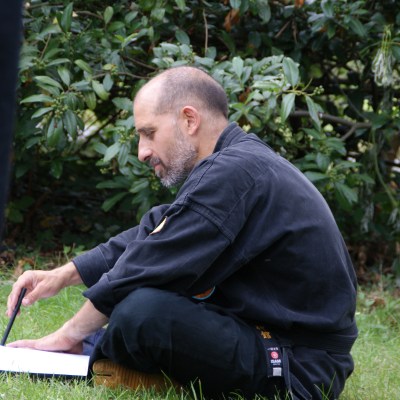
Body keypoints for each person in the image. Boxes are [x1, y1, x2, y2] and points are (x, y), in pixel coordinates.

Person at [6, 66, 358, 400]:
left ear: (189, 119)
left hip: (297, 366)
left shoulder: (235, 171)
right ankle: (102, 354)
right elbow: (154, 232)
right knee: (139, 305)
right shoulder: (235, 163)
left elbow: (147, 263)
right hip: (273, 341)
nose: (142, 152)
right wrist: (63, 275)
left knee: (141, 311)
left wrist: (66, 335)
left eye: (149, 133)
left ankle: (99, 357)